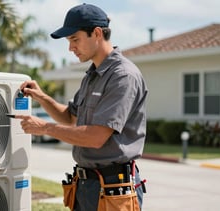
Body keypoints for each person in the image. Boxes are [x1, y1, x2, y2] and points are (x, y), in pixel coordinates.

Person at [16, 3, 148, 211]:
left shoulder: (123, 76)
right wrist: (42, 97)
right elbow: (70, 117)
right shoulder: (93, 75)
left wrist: (44, 128)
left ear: (96, 33)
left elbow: (96, 137)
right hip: (86, 185)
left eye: (74, 39)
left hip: (113, 188)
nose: (70, 48)